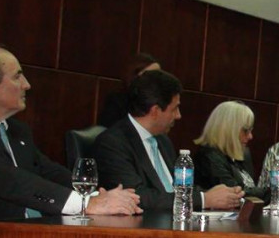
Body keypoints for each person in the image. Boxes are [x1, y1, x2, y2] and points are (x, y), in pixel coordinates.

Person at [0, 43, 142, 220]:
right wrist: (85, 204)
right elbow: (8, 180)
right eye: (17, 76)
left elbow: (49, 172)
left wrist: (98, 197)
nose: (27, 85)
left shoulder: (17, 131)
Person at [95, 69, 243, 211]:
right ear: (155, 111)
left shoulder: (163, 141)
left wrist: (220, 195)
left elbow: (178, 186)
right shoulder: (113, 143)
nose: (178, 116)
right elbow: (137, 197)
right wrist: (204, 199)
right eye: (174, 109)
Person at [192, 100, 269, 201]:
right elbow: (236, 194)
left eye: (251, 131)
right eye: (246, 130)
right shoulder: (209, 158)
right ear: (228, 129)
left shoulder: (239, 156)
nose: (250, 136)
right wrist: (275, 193)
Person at [98, 53, 161, 127]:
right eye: (151, 75)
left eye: (159, 75)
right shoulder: (117, 99)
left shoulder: (157, 101)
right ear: (136, 75)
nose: (156, 79)